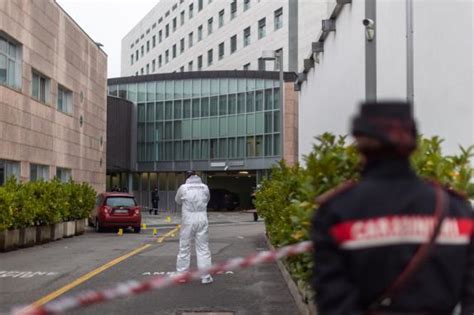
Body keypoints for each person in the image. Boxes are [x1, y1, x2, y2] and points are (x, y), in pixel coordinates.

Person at [311, 101, 473, 314]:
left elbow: (333, 302)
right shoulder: (457, 210)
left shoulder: (337, 211)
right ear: (414, 143)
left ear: (359, 143)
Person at [175, 170, 213, 284]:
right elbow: (207, 199)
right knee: (203, 248)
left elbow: (177, 201)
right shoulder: (204, 187)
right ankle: (205, 276)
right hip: (202, 217)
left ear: (187, 177)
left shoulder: (183, 188)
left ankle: (182, 275)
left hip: (188, 218)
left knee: (184, 247)